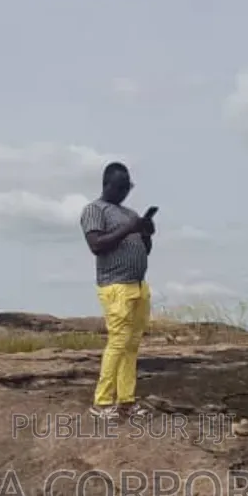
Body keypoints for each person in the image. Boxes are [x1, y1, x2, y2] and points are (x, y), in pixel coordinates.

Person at [79, 161, 155, 420]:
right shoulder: (94, 210)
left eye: (128, 187)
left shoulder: (130, 214)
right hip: (116, 285)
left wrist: (145, 234)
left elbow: (144, 250)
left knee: (132, 345)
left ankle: (126, 400)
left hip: (138, 285)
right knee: (118, 342)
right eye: (122, 187)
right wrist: (129, 228)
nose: (125, 191)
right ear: (108, 184)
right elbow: (96, 245)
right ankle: (101, 403)